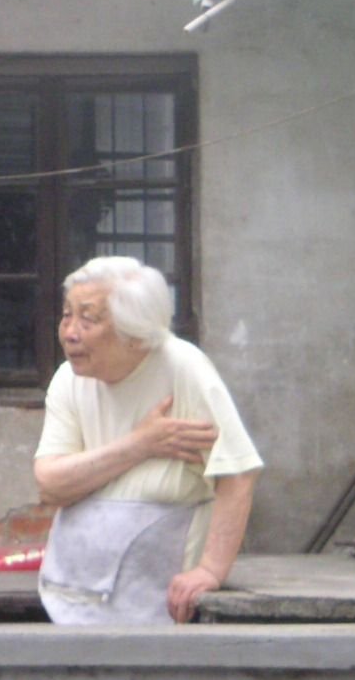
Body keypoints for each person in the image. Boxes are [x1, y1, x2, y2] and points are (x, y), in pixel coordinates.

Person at [33, 256, 262, 624]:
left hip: (162, 602)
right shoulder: (68, 379)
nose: (70, 332)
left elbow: (237, 474)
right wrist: (140, 444)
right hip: (71, 593)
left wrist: (209, 571)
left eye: (88, 318)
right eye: (66, 315)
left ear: (135, 334)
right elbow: (51, 484)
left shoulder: (184, 368)